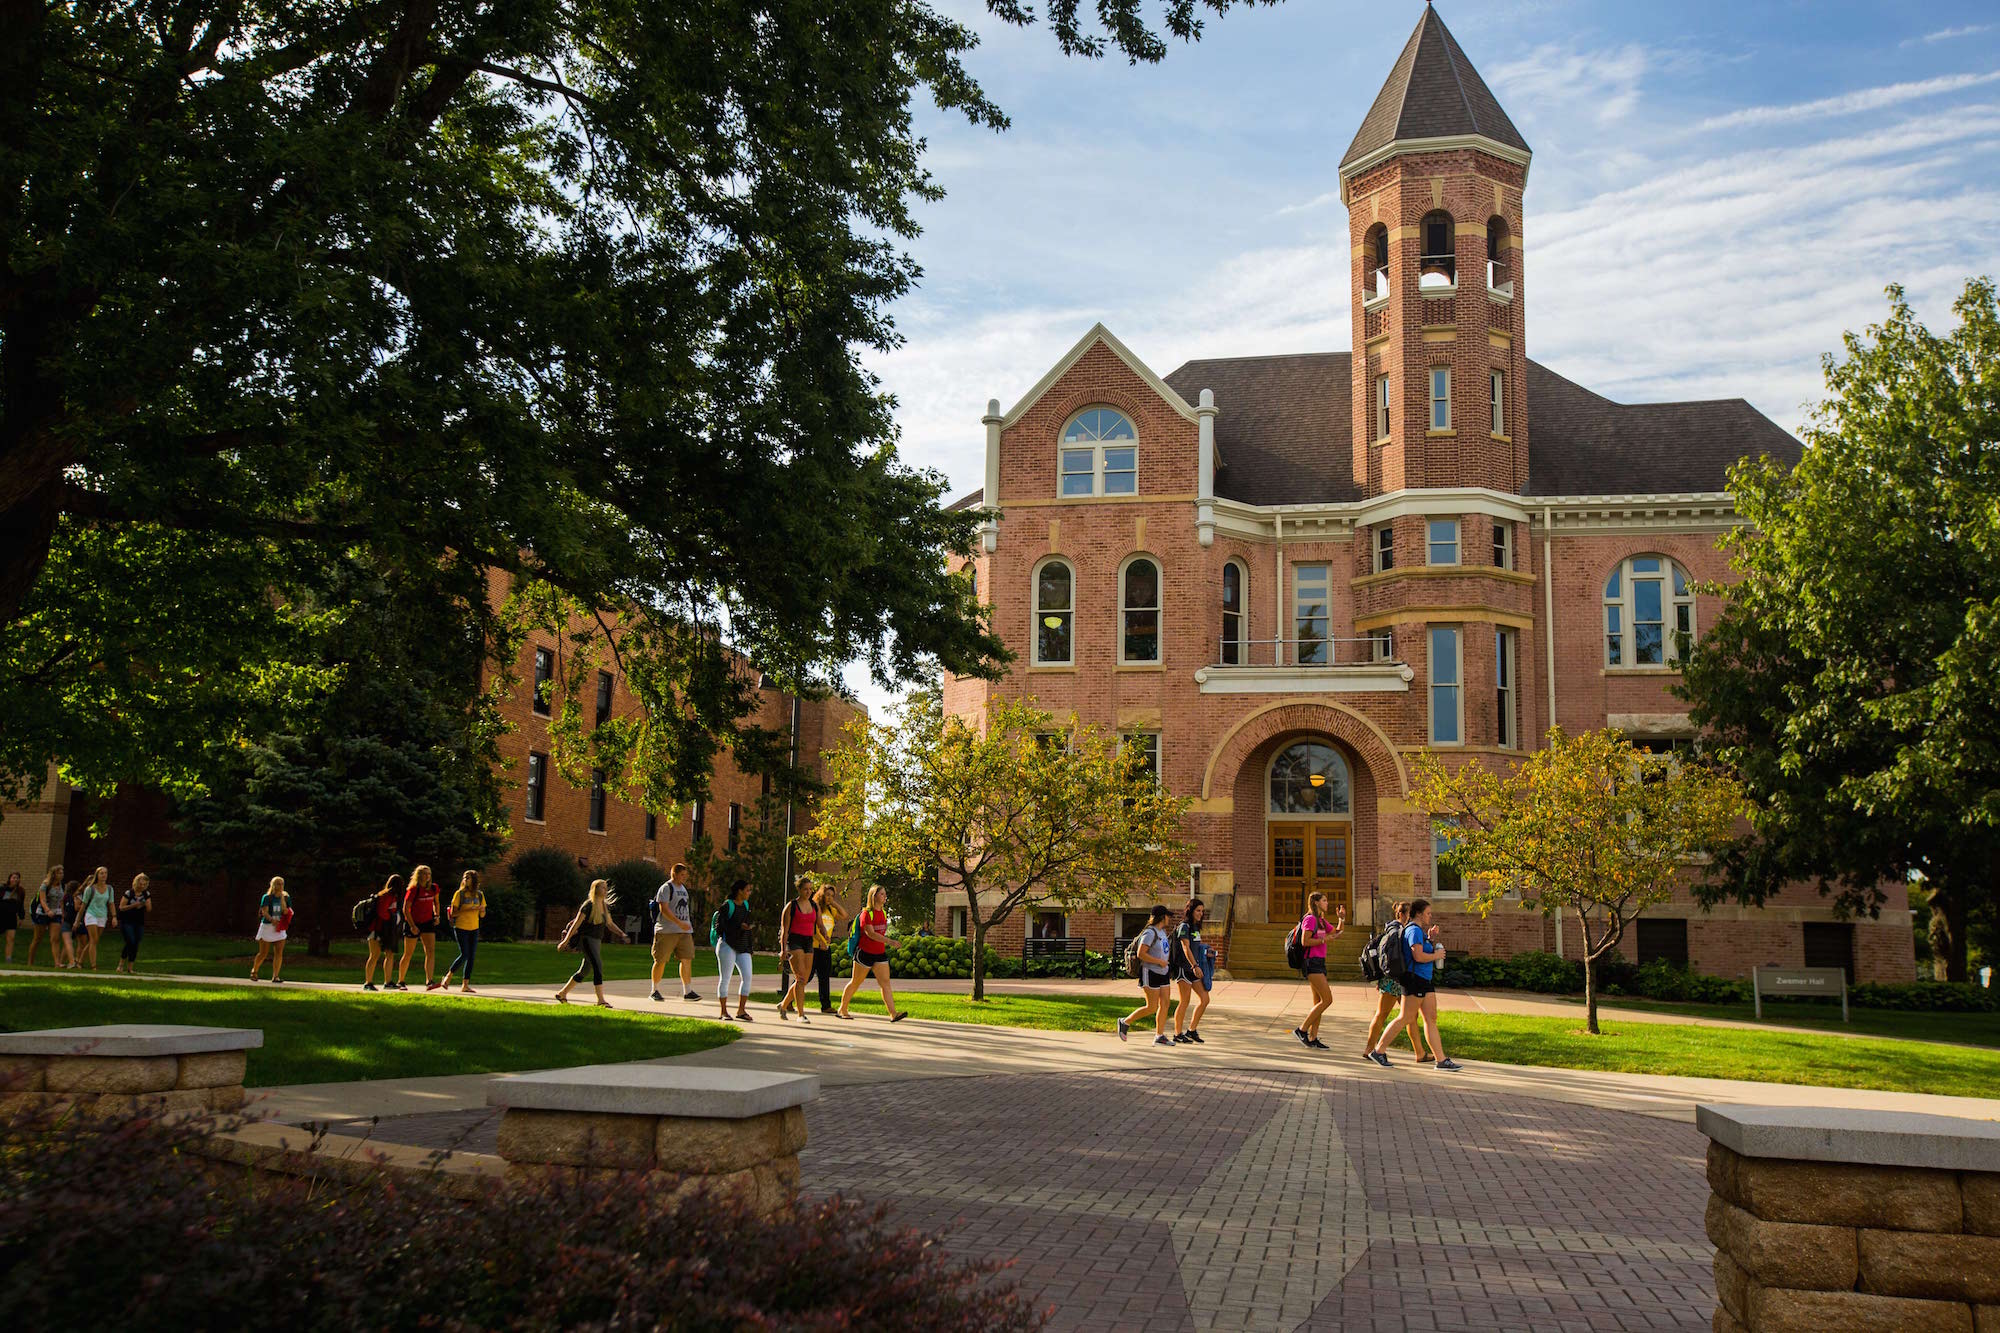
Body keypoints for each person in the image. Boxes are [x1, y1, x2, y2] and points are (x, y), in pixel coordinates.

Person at [1367, 898, 1461, 1070]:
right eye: (1428, 913)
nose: (1430, 916)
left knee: (1430, 1018)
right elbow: (1418, 956)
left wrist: (1430, 939)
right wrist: (1437, 955)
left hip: (1424, 980)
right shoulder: (1414, 931)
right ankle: (1378, 1051)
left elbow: (1421, 951)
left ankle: (1441, 1060)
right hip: (1414, 980)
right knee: (1405, 1017)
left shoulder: (1419, 932)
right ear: (1418, 914)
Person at [1363, 901, 1436, 1064]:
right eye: (1408, 914)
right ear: (1402, 914)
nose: (1410, 917)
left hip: (1397, 978)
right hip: (1394, 980)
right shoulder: (1398, 930)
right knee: (1384, 1014)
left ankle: (1420, 1052)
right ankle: (1370, 1049)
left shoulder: (1398, 929)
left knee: (1410, 1016)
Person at [836, 885, 906, 1022]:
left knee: (885, 983)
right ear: (874, 896)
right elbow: (871, 934)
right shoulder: (866, 914)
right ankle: (842, 1009)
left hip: (879, 953)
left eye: (885, 894)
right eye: (882, 894)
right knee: (856, 982)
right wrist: (890, 941)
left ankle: (893, 1014)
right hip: (864, 953)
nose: (885, 897)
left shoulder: (884, 913)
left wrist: (886, 942)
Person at [555, 879, 628, 1008]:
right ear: (595, 889)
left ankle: (562, 993)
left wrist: (621, 934)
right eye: (602, 888)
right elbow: (576, 923)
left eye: (606, 888)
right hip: (587, 940)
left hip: (596, 941)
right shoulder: (588, 905)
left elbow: (610, 924)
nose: (605, 890)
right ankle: (601, 1000)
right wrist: (565, 941)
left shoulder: (604, 906)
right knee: (598, 965)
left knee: (585, 970)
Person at [1293, 892, 1346, 1051]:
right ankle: (1301, 1030)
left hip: (1320, 963)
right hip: (1312, 963)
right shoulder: (1310, 919)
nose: (1327, 903)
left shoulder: (1321, 921)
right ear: (1316, 903)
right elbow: (1305, 941)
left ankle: (1313, 1037)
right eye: (1324, 900)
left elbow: (1336, 933)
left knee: (1319, 1003)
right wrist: (1323, 940)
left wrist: (1341, 919)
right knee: (1327, 1000)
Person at [1117, 906, 1174, 1046]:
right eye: (1168, 915)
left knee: (1165, 1003)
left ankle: (1159, 1036)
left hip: (1163, 972)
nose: (1170, 918)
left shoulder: (1162, 932)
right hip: (1150, 972)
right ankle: (1125, 1022)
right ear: (1161, 917)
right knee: (1152, 1007)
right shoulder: (1149, 933)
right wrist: (1159, 961)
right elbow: (1141, 954)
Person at [648, 862, 698, 1003]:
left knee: (686, 959)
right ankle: (654, 990)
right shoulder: (666, 888)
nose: (684, 878)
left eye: (685, 875)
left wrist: (686, 924)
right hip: (667, 931)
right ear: (674, 873)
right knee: (661, 960)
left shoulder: (683, 889)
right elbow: (664, 909)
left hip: (684, 931)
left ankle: (688, 991)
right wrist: (678, 922)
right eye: (682, 875)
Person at [1168, 899, 1211, 1045]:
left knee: (1205, 999)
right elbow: (1186, 948)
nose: (1201, 913)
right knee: (1184, 1001)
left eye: (1202, 910)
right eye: (1198, 910)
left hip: (1194, 968)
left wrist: (1207, 951)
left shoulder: (1195, 927)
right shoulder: (1184, 926)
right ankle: (1177, 1034)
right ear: (1190, 910)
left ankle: (1191, 1030)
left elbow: (1195, 947)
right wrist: (1194, 966)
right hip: (1184, 968)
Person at [775, 879, 818, 1023]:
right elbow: (784, 930)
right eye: (805, 889)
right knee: (800, 978)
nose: (809, 892)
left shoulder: (814, 905)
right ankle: (801, 1014)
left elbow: (820, 925)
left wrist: (824, 936)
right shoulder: (791, 906)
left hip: (808, 942)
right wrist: (782, 950)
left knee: (803, 980)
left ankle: (783, 1005)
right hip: (794, 942)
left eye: (810, 889)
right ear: (799, 890)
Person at [437, 869, 486, 993]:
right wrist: (470, 909)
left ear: (474, 880)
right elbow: (453, 913)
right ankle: (448, 976)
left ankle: (465, 985)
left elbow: (482, 915)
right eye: (464, 877)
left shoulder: (479, 895)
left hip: (474, 928)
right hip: (461, 927)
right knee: (465, 954)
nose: (465, 880)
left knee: (471, 957)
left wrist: (481, 910)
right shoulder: (460, 894)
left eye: (468, 878)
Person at [714, 878, 755, 1021]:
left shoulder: (746, 905)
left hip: (743, 946)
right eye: (747, 890)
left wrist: (750, 947)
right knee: (725, 978)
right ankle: (723, 1011)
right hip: (727, 945)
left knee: (748, 976)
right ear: (739, 891)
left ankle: (741, 1010)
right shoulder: (727, 905)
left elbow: (747, 926)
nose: (749, 893)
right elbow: (720, 928)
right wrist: (738, 927)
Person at [398, 864, 442, 991]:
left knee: (430, 951)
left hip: (428, 922)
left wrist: (437, 915)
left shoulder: (434, 888)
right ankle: (401, 981)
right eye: (424, 873)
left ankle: (429, 980)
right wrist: (412, 926)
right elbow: (405, 909)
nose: (427, 876)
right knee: (408, 953)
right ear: (419, 875)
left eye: (429, 874)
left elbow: (436, 902)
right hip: (413, 922)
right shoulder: (413, 890)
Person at [362, 874, 405, 992]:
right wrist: (392, 919)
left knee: (389, 954)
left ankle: (388, 981)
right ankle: (368, 982)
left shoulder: (391, 896)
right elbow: (382, 913)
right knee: (375, 955)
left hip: (385, 930)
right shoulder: (387, 896)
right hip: (379, 929)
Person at [810, 883, 846, 1014]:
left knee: (824, 977)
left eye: (832, 895)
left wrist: (834, 903)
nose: (830, 897)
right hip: (814, 946)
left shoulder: (831, 910)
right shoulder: (815, 908)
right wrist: (820, 941)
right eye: (827, 895)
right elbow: (813, 928)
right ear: (821, 894)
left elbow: (844, 915)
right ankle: (788, 1000)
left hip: (826, 947)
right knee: (806, 977)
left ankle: (826, 1006)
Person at [250, 876, 290, 983]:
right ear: (273, 885)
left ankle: (276, 976)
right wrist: (272, 920)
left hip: (280, 928)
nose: (280, 886)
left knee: (279, 952)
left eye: (282, 883)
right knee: (263, 953)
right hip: (268, 926)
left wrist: (286, 912)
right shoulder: (267, 897)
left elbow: (289, 910)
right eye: (278, 883)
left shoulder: (286, 897)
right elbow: (264, 912)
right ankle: (254, 971)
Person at [75, 866, 115, 971]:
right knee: (93, 939)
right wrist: (77, 921)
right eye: (102, 873)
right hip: (91, 914)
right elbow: (83, 905)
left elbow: (111, 903)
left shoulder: (110, 889)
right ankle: (94, 966)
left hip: (102, 915)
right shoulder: (90, 889)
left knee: (94, 941)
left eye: (105, 873)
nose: (104, 875)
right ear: (97, 875)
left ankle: (80, 961)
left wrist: (114, 916)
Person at [115, 873, 152, 974]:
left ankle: (130, 968)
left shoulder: (146, 894)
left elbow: (149, 909)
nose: (142, 886)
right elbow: (121, 907)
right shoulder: (129, 893)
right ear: (136, 883)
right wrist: (134, 905)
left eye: (145, 884)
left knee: (135, 943)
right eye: (141, 884)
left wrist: (145, 904)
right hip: (127, 921)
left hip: (139, 922)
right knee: (130, 941)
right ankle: (120, 965)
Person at [27, 866, 62, 967]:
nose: (61, 875)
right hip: (43, 913)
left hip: (56, 913)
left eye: (62, 873)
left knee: (55, 938)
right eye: (59, 873)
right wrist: (47, 910)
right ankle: (30, 962)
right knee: (37, 938)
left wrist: (62, 912)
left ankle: (57, 963)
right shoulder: (45, 885)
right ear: (54, 874)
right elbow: (42, 900)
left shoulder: (62, 885)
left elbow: (61, 900)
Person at [0, 872, 23, 965]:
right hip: (1, 916)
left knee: (11, 938)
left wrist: (21, 917)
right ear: (9, 879)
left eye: (17, 878)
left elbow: (20, 906)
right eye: (13, 878)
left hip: (12, 917)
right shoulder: (2, 889)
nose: (15, 879)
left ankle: (8, 959)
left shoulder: (20, 892)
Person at [58, 878, 81, 970]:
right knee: (68, 942)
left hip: (68, 921)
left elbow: (62, 907)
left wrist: (63, 916)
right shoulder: (77, 897)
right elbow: (76, 908)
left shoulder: (65, 897)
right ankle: (72, 962)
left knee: (67, 943)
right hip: (71, 921)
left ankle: (60, 962)